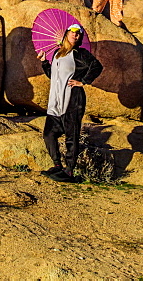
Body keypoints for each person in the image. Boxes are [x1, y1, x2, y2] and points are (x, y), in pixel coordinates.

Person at [38, 23, 103, 182]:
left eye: (79, 33)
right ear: (66, 34)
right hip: (55, 101)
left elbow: (97, 66)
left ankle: (69, 171)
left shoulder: (80, 53)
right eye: (73, 32)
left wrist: (83, 81)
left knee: (71, 136)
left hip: (73, 101)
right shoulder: (56, 54)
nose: (76, 35)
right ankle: (57, 165)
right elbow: (53, 76)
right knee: (48, 134)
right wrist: (44, 62)